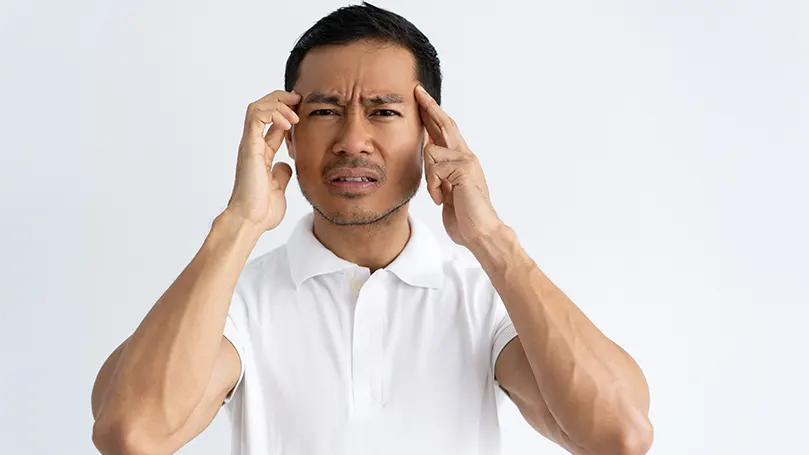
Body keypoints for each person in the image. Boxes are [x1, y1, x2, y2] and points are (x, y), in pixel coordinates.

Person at [90, 3, 653, 455]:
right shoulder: (234, 300)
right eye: (326, 111)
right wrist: (238, 224)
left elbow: (618, 435)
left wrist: (493, 242)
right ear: (287, 134)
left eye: (383, 112)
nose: (353, 140)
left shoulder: (487, 300)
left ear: (430, 136)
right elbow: (130, 434)